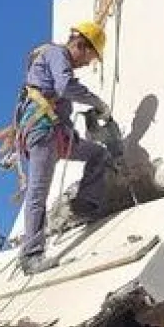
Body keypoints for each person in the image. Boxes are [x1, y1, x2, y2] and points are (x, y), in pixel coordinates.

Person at [18, 22, 112, 275]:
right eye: (90, 57)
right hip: (44, 132)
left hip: (57, 134)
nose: (87, 63)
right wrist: (97, 102)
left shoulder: (56, 59)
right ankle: (31, 255)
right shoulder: (56, 53)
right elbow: (65, 86)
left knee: (98, 154)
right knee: (38, 191)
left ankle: (84, 205)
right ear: (81, 45)